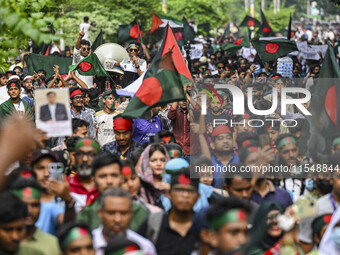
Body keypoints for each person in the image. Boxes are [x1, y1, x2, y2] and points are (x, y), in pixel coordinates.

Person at [76, 153, 149, 232]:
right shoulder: (86, 215)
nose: (109, 181)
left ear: (121, 178)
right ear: (93, 180)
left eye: (114, 175)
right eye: (103, 176)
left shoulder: (139, 213)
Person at [138, 167, 200, 255]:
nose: (185, 195)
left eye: (190, 191)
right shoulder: (153, 224)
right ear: (169, 194)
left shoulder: (204, 226)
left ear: (198, 197)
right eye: (179, 190)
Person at [8, 168, 60, 255]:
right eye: (23, 204)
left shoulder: (52, 244)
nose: (29, 211)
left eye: (35, 205)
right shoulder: (4, 242)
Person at [92, 188, 156, 255]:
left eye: (123, 213)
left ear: (131, 213)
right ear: (100, 213)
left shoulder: (144, 247)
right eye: (111, 213)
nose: (117, 219)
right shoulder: (87, 244)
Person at [31, 148, 76, 235]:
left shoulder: (64, 198)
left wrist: (68, 201)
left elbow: (68, 228)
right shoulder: (25, 197)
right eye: (40, 168)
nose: (46, 174)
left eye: (51, 168)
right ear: (32, 170)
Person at [67, 138, 101, 212]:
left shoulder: (106, 186)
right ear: (75, 157)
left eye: (91, 155)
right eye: (80, 154)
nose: (85, 159)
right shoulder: (65, 185)